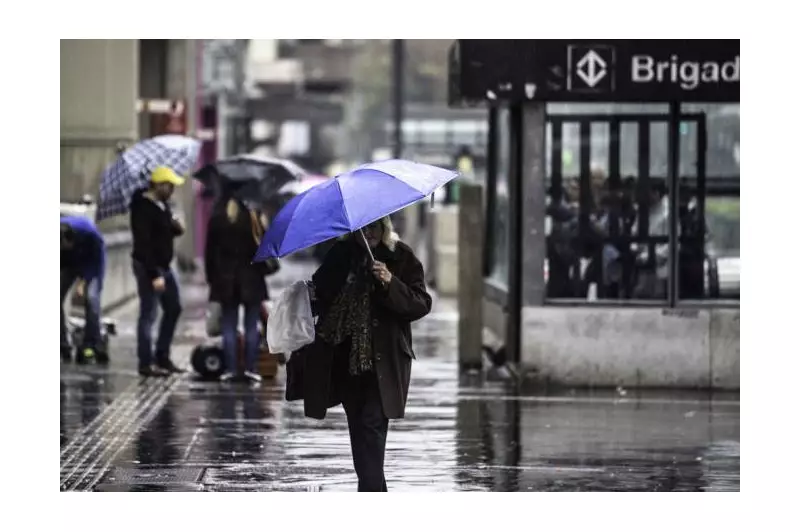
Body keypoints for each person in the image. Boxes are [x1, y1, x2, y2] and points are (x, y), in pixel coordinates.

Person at [291, 216, 432, 491]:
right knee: (360, 433)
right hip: (346, 362)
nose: (369, 233)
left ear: (384, 227)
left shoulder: (401, 256)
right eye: (363, 228)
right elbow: (320, 296)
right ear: (354, 231)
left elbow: (420, 304)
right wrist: (305, 296)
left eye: (374, 226)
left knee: (371, 427)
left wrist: (391, 282)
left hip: (384, 364)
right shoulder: (341, 255)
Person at [204, 195, 278, 383]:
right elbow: (267, 246)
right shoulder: (254, 216)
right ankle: (251, 369)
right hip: (252, 278)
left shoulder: (218, 218)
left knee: (228, 325)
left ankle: (230, 369)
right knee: (251, 325)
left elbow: (209, 252)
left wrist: (212, 279)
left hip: (225, 280)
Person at [130, 166, 186, 377]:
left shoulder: (162, 205)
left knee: (174, 308)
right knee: (149, 313)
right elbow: (144, 244)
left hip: (165, 266)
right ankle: (146, 363)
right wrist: (154, 274)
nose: (172, 190)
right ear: (159, 185)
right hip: (149, 267)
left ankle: (162, 356)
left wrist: (176, 227)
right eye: (169, 186)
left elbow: (164, 232)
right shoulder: (142, 208)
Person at [60, 216, 106, 363]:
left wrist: (82, 283)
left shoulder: (90, 234)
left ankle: (92, 343)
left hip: (92, 262)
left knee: (91, 299)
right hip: (68, 263)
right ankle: (62, 344)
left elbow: (94, 263)